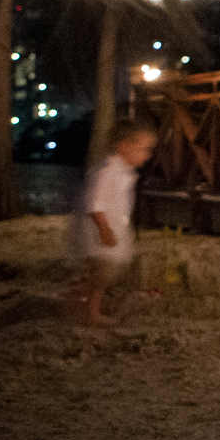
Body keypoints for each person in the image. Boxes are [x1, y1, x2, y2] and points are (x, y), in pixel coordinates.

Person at [67, 118, 157, 325]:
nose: (147, 155)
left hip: (111, 232)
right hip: (99, 234)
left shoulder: (124, 173)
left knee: (104, 275)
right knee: (101, 274)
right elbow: (95, 203)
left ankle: (85, 306)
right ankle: (87, 310)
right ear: (124, 146)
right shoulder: (108, 172)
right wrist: (104, 229)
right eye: (143, 149)